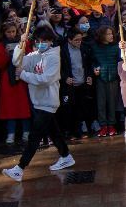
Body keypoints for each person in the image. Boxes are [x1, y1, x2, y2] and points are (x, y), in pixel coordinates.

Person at [4, 25, 74, 179]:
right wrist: (20, 45)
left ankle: (20, 168)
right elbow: (17, 62)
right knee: (54, 132)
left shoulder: (54, 57)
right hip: (38, 101)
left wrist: (24, 75)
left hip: (48, 101)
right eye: (38, 41)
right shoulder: (34, 55)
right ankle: (66, 155)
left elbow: (45, 79)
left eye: (44, 41)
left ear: (50, 41)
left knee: (34, 137)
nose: (41, 43)